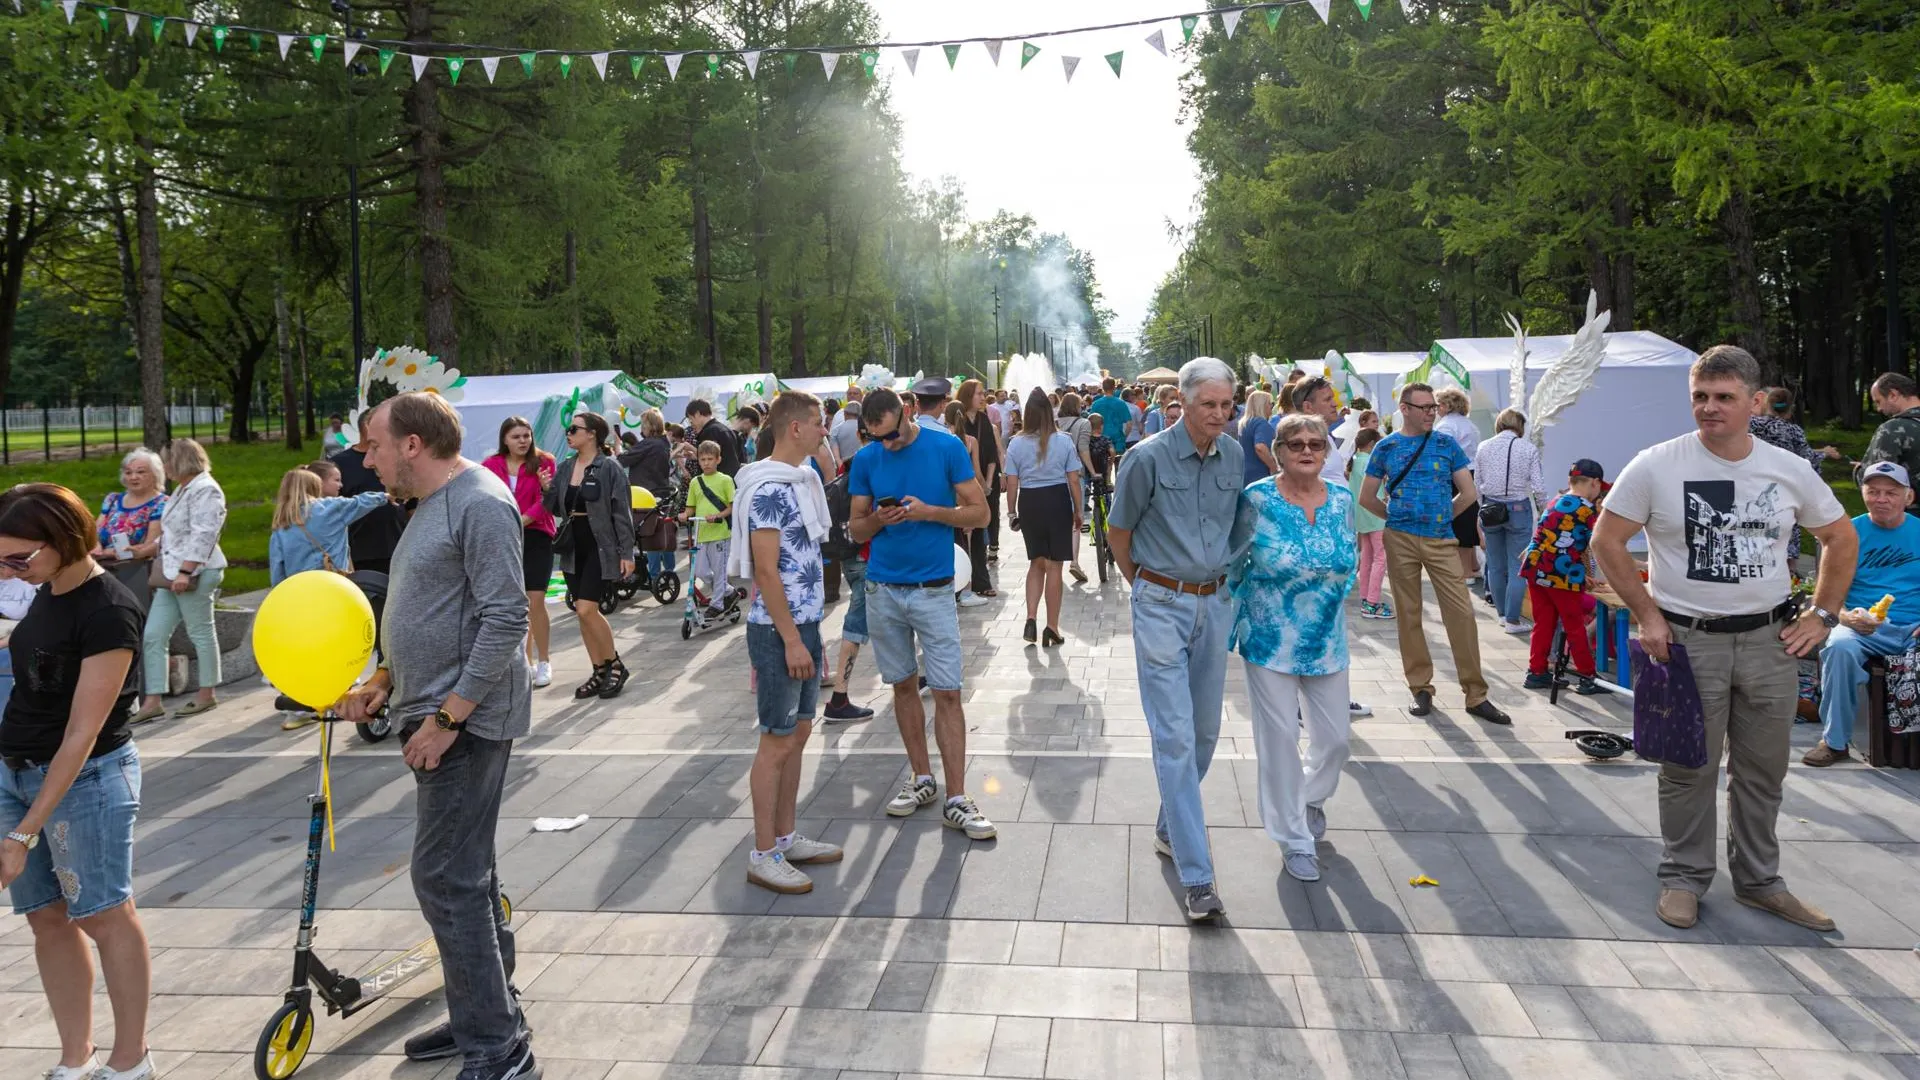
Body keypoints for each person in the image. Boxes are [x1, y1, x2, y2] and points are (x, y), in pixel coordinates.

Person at [1592, 344, 1854, 934]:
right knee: (1688, 767)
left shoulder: (1788, 469)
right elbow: (1607, 542)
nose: (1709, 409)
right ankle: (1683, 877)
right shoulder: (1656, 464)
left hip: (1771, 641)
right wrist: (1647, 615)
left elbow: (1839, 538)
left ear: (1755, 402)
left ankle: (1761, 882)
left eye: (1724, 398)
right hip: (1686, 641)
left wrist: (1823, 615)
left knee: (1763, 771)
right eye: (1700, 398)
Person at [334, 392, 536, 1080]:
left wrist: (449, 718)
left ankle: (499, 1048)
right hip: (433, 712)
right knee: (467, 873)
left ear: (412, 444)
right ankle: (487, 1010)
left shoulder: (479, 501)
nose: (366, 458)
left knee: (444, 876)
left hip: (464, 723)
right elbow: (436, 607)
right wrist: (385, 678)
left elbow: (506, 618)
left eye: (373, 446)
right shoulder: (432, 505)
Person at [0, 484, 155, 1080]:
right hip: (16, 768)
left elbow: (82, 734)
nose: (10, 571)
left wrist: (24, 832)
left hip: (85, 779)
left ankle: (131, 1058)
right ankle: (76, 1056)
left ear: (64, 539)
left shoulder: (109, 609)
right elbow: (44, 652)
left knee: (104, 913)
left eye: (20, 559)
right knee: (46, 916)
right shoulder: (48, 590)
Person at [1108, 357, 1244, 923]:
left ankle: (1170, 824)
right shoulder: (1146, 458)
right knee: (1175, 737)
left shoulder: (1234, 453)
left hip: (1214, 604)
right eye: (1208, 404)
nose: (1218, 414)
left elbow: (1239, 523)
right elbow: (1118, 531)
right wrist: (1145, 588)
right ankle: (1198, 876)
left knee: (1206, 733)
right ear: (1182, 403)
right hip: (1161, 602)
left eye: (1226, 405)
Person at [847, 388, 995, 840]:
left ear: (907, 414)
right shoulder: (868, 458)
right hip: (883, 587)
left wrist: (932, 512)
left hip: (933, 589)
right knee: (903, 685)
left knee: (948, 691)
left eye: (891, 434)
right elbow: (855, 528)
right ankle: (921, 779)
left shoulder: (946, 446)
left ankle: (957, 797)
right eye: (876, 437)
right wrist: (878, 521)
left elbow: (981, 511)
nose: (885, 444)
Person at [1229, 414, 1357, 884]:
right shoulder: (1257, 499)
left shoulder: (1341, 499)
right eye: (1297, 443)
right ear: (1278, 450)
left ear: (1327, 452)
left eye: (1317, 444)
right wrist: (1236, 617)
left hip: (1326, 637)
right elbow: (1234, 560)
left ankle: (1308, 797)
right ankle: (1294, 838)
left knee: (1337, 740)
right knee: (1280, 738)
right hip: (1269, 637)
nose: (1308, 451)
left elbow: (1350, 558)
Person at [728, 391, 845, 893]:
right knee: (776, 740)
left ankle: (785, 837)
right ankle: (762, 853)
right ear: (794, 429)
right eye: (818, 423)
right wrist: (794, 641)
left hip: (804, 625)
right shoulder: (769, 490)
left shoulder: (801, 481)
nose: (825, 430)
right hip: (781, 632)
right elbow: (767, 573)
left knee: (797, 735)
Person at [1358, 384, 1509, 724]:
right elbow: (1367, 497)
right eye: (1424, 407)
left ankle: (1476, 694)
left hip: (1441, 541)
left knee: (1461, 614)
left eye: (1433, 407)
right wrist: (1397, 519)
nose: (1431, 413)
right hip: (1400, 539)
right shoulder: (1387, 446)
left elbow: (1469, 493)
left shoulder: (1446, 444)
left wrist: (1442, 518)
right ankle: (1420, 688)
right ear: (1405, 408)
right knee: (1409, 615)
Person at [1804, 461, 1920, 766]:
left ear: (1908, 497)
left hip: (1913, 625)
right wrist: (1842, 616)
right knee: (1839, 647)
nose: (1881, 499)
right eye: (1873, 491)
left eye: (1891, 493)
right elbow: (1827, 590)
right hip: (1861, 625)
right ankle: (1835, 741)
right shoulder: (1848, 533)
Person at [130, 440, 226, 725]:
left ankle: (207, 694)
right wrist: (151, 547)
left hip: (193, 572)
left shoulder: (206, 489)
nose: (164, 467)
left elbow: (204, 534)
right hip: (172, 573)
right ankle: (153, 700)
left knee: (200, 632)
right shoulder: (185, 489)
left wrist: (186, 571)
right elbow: (177, 533)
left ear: (182, 461)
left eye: (167, 461)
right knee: (153, 635)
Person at [1293, 376, 1372, 719]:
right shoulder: (1302, 442)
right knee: (1311, 623)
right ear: (1308, 406)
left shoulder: (1323, 437)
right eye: (1327, 399)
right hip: (1317, 545)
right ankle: (1300, 702)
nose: (1334, 403)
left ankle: (1335, 696)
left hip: (1334, 541)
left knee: (1330, 626)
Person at [545, 411, 635, 700]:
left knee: (587, 608)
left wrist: (626, 551)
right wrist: (546, 486)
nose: (568, 433)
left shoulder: (609, 467)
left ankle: (615, 664)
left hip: (600, 544)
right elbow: (555, 508)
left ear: (592, 434)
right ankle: (599, 670)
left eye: (574, 429)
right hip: (573, 547)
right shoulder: (565, 466)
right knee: (583, 615)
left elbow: (622, 512)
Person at [1519, 460, 1609, 696]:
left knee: (1543, 623)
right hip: (1561, 575)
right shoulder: (1586, 509)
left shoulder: (1556, 501)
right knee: (1574, 626)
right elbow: (1600, 544)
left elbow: (1553, 541)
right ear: (1594, 482)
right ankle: (1588, 676)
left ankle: (1536, 671)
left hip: (1536, 570)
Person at [482, 417, 559, 689]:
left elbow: (547, 501)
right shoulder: (490, 465)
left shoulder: (544, 461)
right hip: (505, 537)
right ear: (505, 439)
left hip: (537, 535)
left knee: (535, 599)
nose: (523, 441)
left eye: (526, 435)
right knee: (516, 602)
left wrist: (523, 517)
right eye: (516, 437)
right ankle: (524, 662)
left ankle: (545, 659)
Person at [1005, 389, 1084, 647]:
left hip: (1030, 501)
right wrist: (1078, 510)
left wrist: (1012, 512)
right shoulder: (1063, 441)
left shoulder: (1016, 443)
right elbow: (1073, 479)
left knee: (1036, 563)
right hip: (1057, 499)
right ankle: (1052, 626)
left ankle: (1030, 617)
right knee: (1054, 567)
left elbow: (1012, 482)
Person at [1474, 409, 1547, 633]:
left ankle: (1503, 615)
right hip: (1518, 507)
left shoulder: (1483, 447)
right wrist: (1544, 510)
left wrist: (1482, 506)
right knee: (1517, 566)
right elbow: (1538, 487)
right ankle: (1513, 620)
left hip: (1491, 507)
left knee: (1495, 565)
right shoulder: (1528, 448)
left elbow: (1477, 482)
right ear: (1520, 426)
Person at [92, 448, 166, 611]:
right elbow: (95, 531)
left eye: (141, 472)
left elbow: (150, 545)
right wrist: (96, 546)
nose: (133, 477)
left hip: (134, 572)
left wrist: (111, 552)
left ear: (155, 475)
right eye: (128, 472)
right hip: (102, 567)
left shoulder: (160, 504)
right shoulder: (112, 499)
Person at [333, 428, 410, 576]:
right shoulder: (339, 464)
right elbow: (333, 506)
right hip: (359, 552)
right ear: (366, 430)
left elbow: (411, 504)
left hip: (398, 546)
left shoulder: (396, 458)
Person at [1432, 387, 1484, 588]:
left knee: (1459, 522)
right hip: (1471, 473)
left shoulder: (1445, 426)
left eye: (1437, 406)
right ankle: (1473, 566)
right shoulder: (1470, 425)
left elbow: (1443, 453)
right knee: (1470, 520)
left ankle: (1464, 571)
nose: (1436, 410)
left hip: (1454, 474)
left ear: (1444, 406)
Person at [682, 441, 739, 618]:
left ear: (718, 459)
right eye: (702, 459)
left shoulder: (725, 480)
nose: (706, 463)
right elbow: (691, 507)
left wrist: (719, 515)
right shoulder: (695, 482)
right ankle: (729, 592)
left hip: (720, 534)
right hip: (701, 534)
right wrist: (683, 515)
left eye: (710, 459)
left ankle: (717, 604)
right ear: (698, 460)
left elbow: (732, 506)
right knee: (700, 571)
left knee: (719, 569)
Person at [958, 380, 1004, 587]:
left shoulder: (984, 419)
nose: (982, 397)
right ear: (968, 396)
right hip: (966, 482)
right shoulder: (958, 420)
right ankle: (975, 578)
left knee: (989, 518)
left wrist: (988, 481)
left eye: (983, 393)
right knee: (971, 529)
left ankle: (984, 565)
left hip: (987, 479)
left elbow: (992, 453)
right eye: (978, 393)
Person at [1348, 429, 1391, 619]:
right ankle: (1372, 602)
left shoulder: (1355, 460)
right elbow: (1378, 494)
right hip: (1376, 516)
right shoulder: (1369, 462)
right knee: (1381, 558)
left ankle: (1366, 599)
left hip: (1361, 516)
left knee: (1367, 557)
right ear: (1372, 444)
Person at [1055, 393, 1096, 585]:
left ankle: (1056, 561)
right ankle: (1074, 562)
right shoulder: (1083, 423)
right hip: (1075, 474)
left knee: (1057, 519)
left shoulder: (1053, 421)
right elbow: (1083, 450)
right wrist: (1093, 472)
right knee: (1076, 519)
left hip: (1054, 475)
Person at [684, 398, 743, 477]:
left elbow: (709, 457)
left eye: (691, 419)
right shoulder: (725, 429)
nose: (692, 424)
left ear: (697, 414)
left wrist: (690, 447)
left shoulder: (709, 432)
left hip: (716, 482)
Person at [1088, 379, 1134, 463]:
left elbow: (1090, 422)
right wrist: (1125, 436)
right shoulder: (1121, 403)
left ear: (1103, 387)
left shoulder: (1096, 404)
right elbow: (1129, 424)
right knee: (1119, 470)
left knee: (1102, 470)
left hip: (1100, 442)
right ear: (1114, 387)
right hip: (1118, 440)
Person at [1238, 390, 1277, 484]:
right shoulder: (1261, 423)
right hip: (1260, 474)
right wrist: (1273, 467)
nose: (1271, 406)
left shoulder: (1245, 423)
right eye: (1269, 403)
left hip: (1245, 472)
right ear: (1262, 405)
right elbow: (1260, 447)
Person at [830, 399, 865, 464]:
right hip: (863, 463)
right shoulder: (866, 428)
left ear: (845, 413)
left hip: (845, 466)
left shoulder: (836, 430)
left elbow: (836, 457)